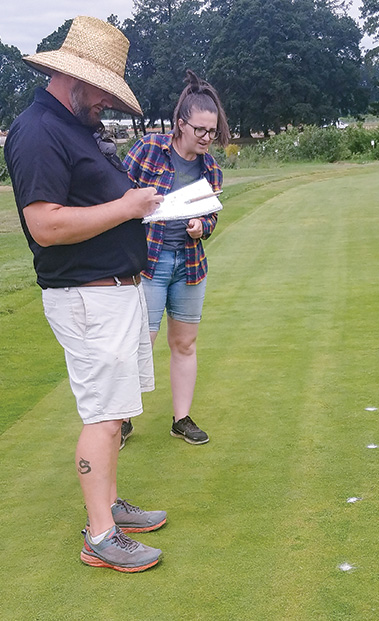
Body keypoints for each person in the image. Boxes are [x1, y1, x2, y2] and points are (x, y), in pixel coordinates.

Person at [4, 16, 167, 573]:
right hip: (85, 297)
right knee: (103, 414)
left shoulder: (73, 127)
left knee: (116, 409)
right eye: (102, 95)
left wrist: (138, 203)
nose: (106, 106)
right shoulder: (38, 131)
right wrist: (127, 207)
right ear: (74, 79)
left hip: (114, 292)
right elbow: (45, 224)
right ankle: (100, 535)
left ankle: (110, 506)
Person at [122, 70, 230, 447]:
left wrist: (203, 225)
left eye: (211, 131)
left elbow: (212, 214)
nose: (206, 138)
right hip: (148, 263)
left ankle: (181, 419)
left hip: (189, 264)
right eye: (200, 130)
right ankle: (120, 420)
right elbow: (117, 193)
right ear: (180, 124)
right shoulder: (149, 149)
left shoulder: (211, 168)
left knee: (184, 344)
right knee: (141, 342)